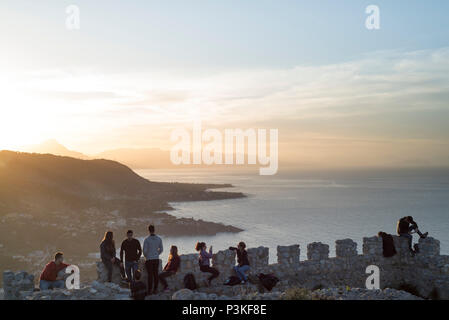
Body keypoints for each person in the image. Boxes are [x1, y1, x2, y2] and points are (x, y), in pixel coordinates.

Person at [143, 224, 163, 295]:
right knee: (155, 274)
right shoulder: (159, 239)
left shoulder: (146, 239)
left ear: (148, 230)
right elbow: (161, 249)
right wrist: (157, 254)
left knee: (150, 275)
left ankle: (149, 290)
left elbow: (144, 251)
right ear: (154, 230)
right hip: (156, 259)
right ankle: (155, 289)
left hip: (149, 259)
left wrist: (147, 256)